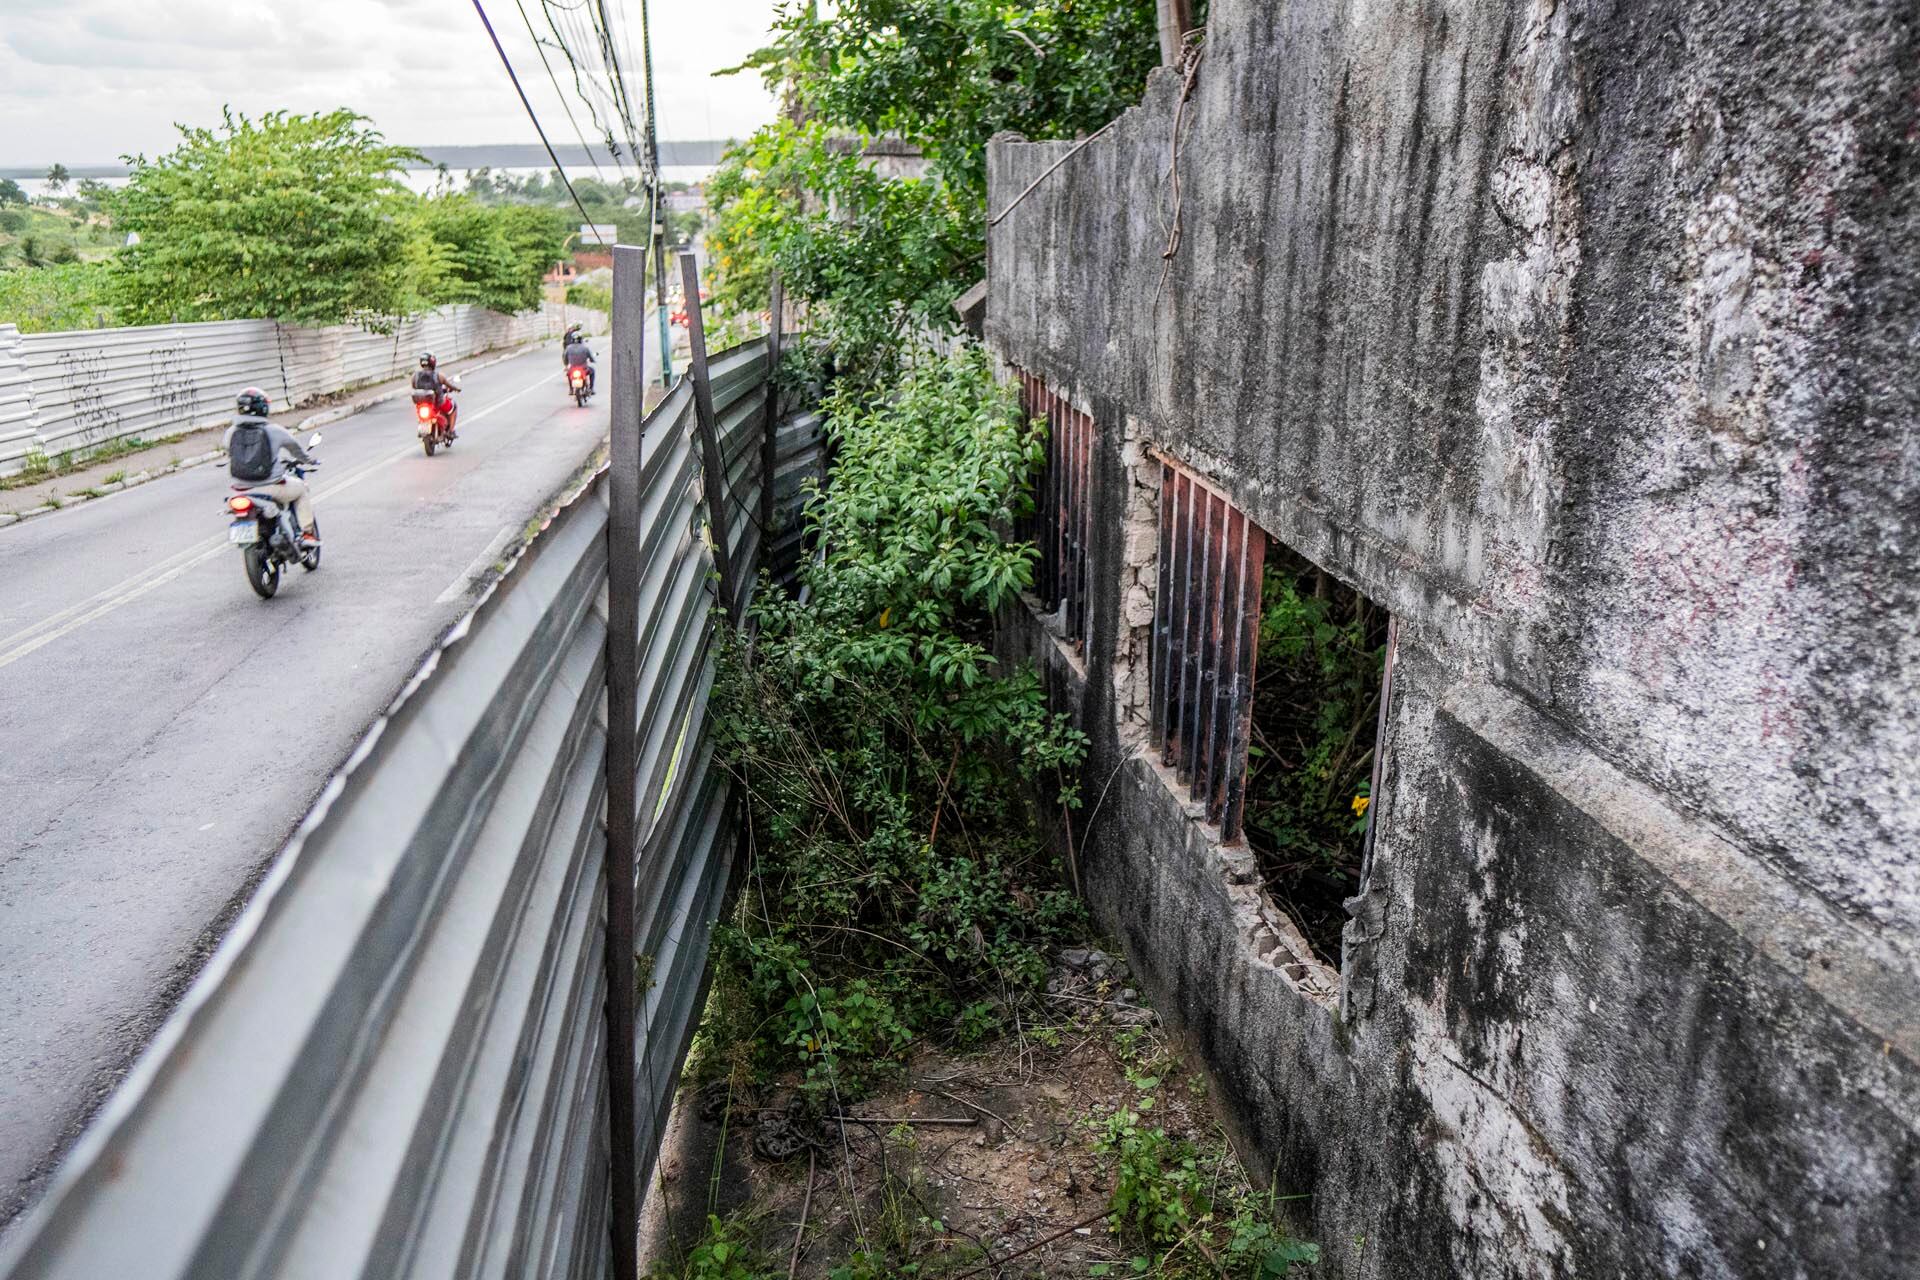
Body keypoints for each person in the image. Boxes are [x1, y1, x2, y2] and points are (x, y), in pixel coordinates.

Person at [224, 387, 319, 547]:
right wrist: (309, 460)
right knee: (301, 489)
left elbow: (229, 452)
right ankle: (307, 534)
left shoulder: (230, 432)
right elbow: (296, 450)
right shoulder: (274, 431)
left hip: (242, 490)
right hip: (271, 488)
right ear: (263, 408)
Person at [411, 352, 459, 436]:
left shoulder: (414, 376)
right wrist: (456, 389)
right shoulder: (439, 376)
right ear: (433, 362)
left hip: (421, 404)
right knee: (453, 407)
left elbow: (414, 388)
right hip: (438, 403)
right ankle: (451, 431)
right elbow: (449, 385)